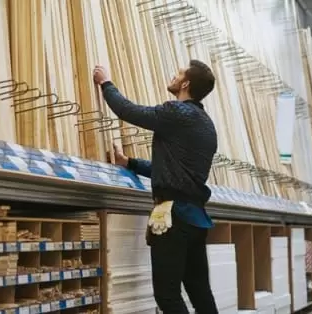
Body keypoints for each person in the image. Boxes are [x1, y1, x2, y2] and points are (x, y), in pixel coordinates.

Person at [93, 60, 219, 314]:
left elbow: (128, 111)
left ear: (185, 84)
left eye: (180, 73)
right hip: (195, 219)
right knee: (199, 290)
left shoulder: (177, 113)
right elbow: (173, 170)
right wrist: (130, 163)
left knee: (167, 295)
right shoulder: (207, 125)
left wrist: (106, 83)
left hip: (172, 216)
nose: (174, 75)